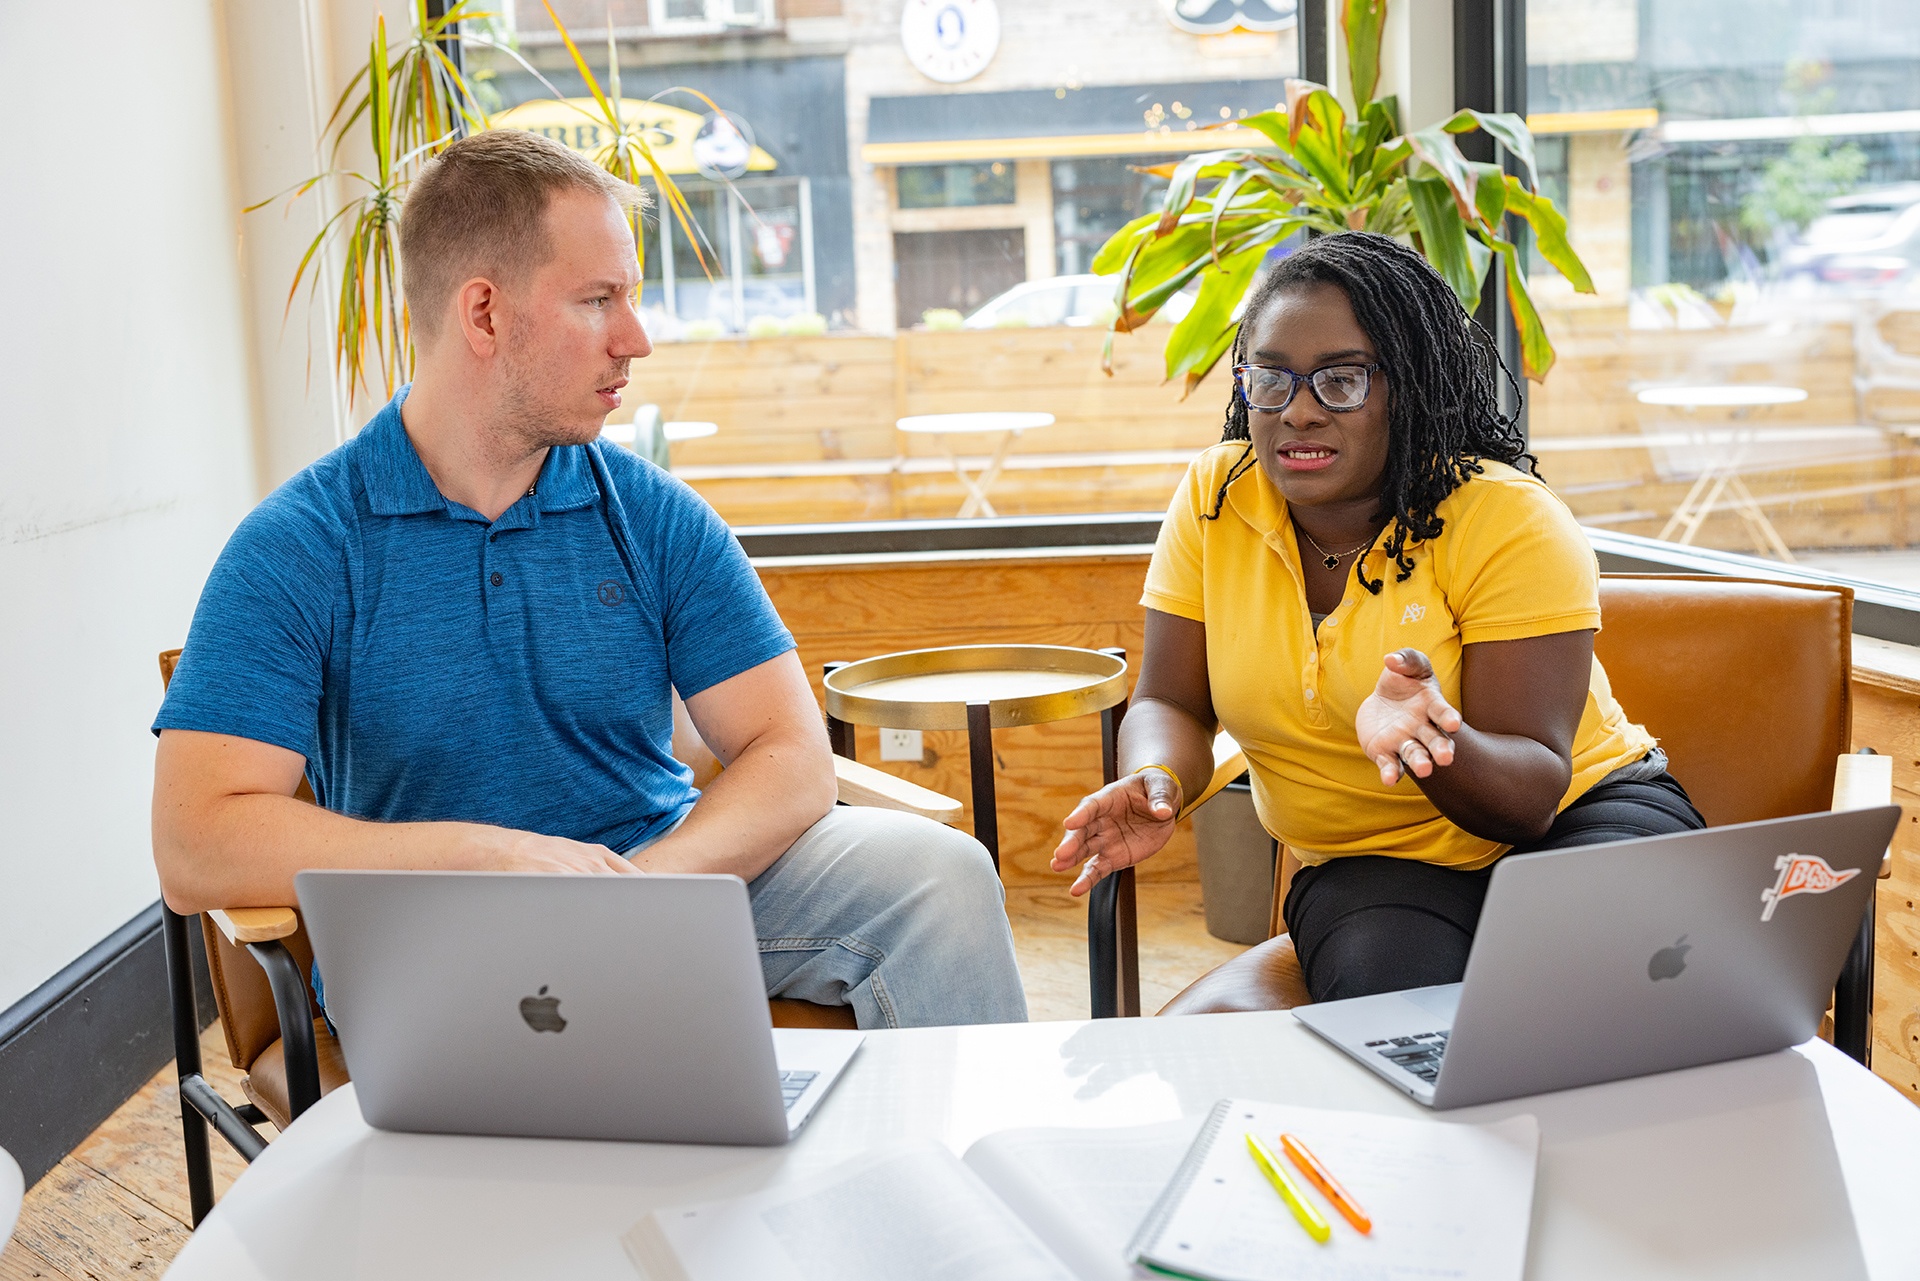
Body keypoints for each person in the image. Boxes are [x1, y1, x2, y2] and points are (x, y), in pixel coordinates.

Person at [152, 129, 1025, 1030]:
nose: (636, 339)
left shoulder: (653, 514)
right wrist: (484, 860)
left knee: (942, 880)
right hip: (438, 936)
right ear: (484, 315)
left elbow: (791, 754)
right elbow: (192, 838)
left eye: (632, 298)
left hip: (658, 882)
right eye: (599, 299)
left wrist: (632, 897)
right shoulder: (302, 544)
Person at [1051, 231, 1704, 1004]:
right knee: (1391, 1025)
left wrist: (1433, 741)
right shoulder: (1216, 498)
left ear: (1410, 387)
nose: (1298, 411)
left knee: (1583, 1004)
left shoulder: (1506, 519)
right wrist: (1154, 776)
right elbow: (1170, 700)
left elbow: (1530, 793)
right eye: (1272, 378)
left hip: (1578, 821)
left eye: (1342, 380)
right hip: (1372, 863)